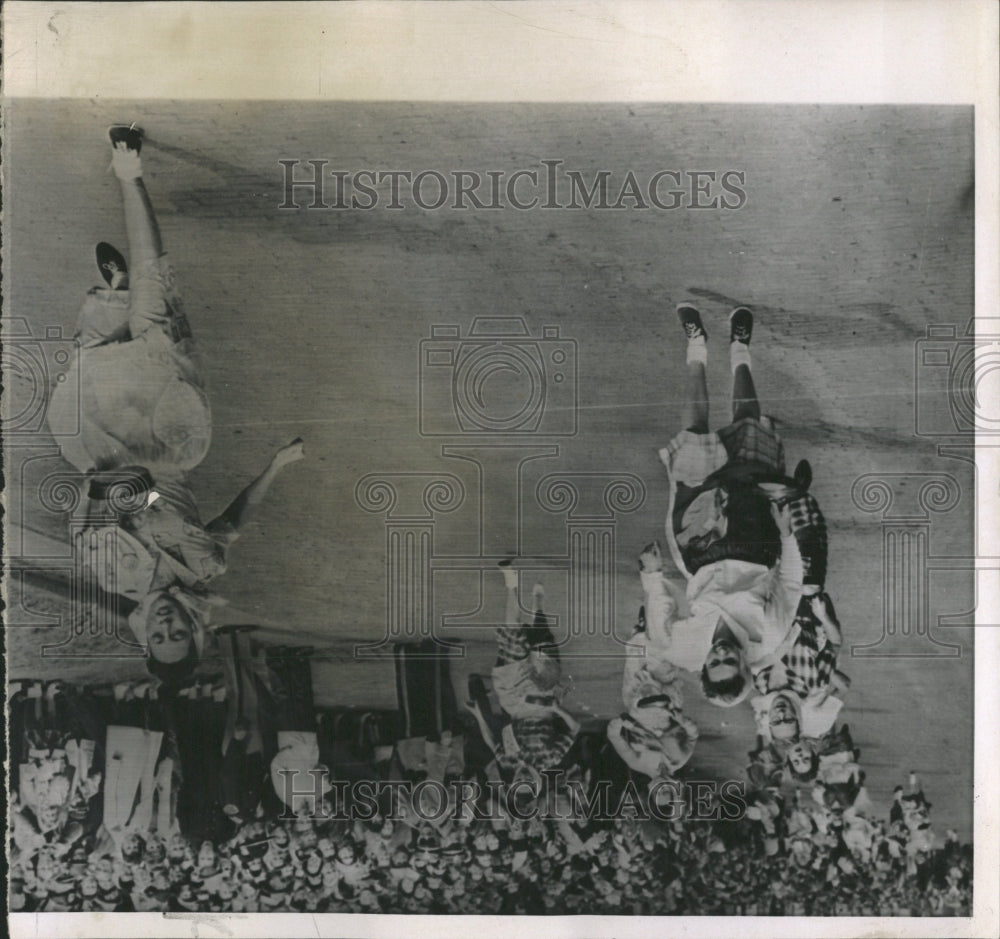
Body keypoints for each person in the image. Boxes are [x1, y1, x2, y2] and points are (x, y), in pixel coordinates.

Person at [47, 124, 306, 684]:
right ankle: (129, 175)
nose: (166, 625)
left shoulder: (116, 577)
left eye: (158, 636)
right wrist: (275, 467)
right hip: (169, 431)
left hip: (101, 437)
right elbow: (233, 521)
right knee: (156, 302)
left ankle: (115, 293)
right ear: (195, 629)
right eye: (178, 634)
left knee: (103, 326)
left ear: (145, 632)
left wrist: (116, 493)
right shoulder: (206, 567)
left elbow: (84, 505)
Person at [653, 304, 805, 704]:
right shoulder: (768, 637)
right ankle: (740, 348)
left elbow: (659, 626)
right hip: (755, 539)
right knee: (748, 428)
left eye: (714, 662)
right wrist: (787, 535)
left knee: (693, 437)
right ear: (743, 665)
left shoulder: (685, 650)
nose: (720, 654)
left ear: (704, 667)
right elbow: (790, 585)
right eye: (729, 662)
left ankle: (696, 346)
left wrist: (652, 579)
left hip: (699, 545)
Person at [465, 563, 580, 777]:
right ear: (536, 782)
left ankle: (511, 582)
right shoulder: (549, 759)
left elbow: (491, 742)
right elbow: (575, 729)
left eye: (518, 784)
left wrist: (479, 716)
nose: (523, 777)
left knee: (514, 640)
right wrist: (557, 710)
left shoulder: (509, 760)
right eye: (528, 784)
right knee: (541, 640)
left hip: (514, 702)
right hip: (544, 703)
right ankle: (538, 605)